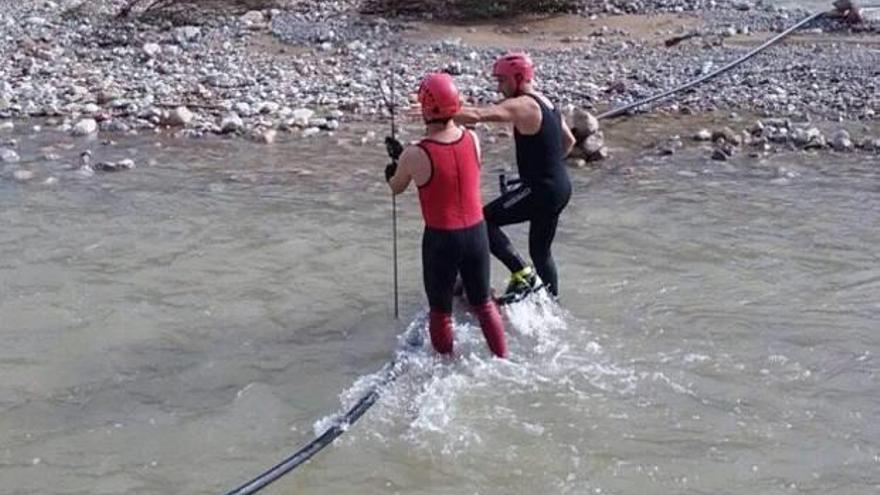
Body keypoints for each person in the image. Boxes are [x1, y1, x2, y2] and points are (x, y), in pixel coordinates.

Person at [385, 72, 506, 358]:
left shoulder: (415, 154)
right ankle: (503, 359)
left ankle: (446, 366)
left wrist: (394, 164)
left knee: (440, 312)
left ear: (425, 109)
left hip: (442, 240)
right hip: (477, 234)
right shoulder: (473, 139)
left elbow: (396, 187)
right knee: (483, 304)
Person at [454, 52, 576, 302]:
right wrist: (547, 167)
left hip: (542, 189)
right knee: (541, 252)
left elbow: (479, 116)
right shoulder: (547, 103)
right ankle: (553, 304)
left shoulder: (524, 105)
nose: (499, 88)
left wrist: (439, 111)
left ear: (519, 78)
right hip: (560, 187)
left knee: (482, 220)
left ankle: (522, 274)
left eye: (502, 81)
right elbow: (569, 141)